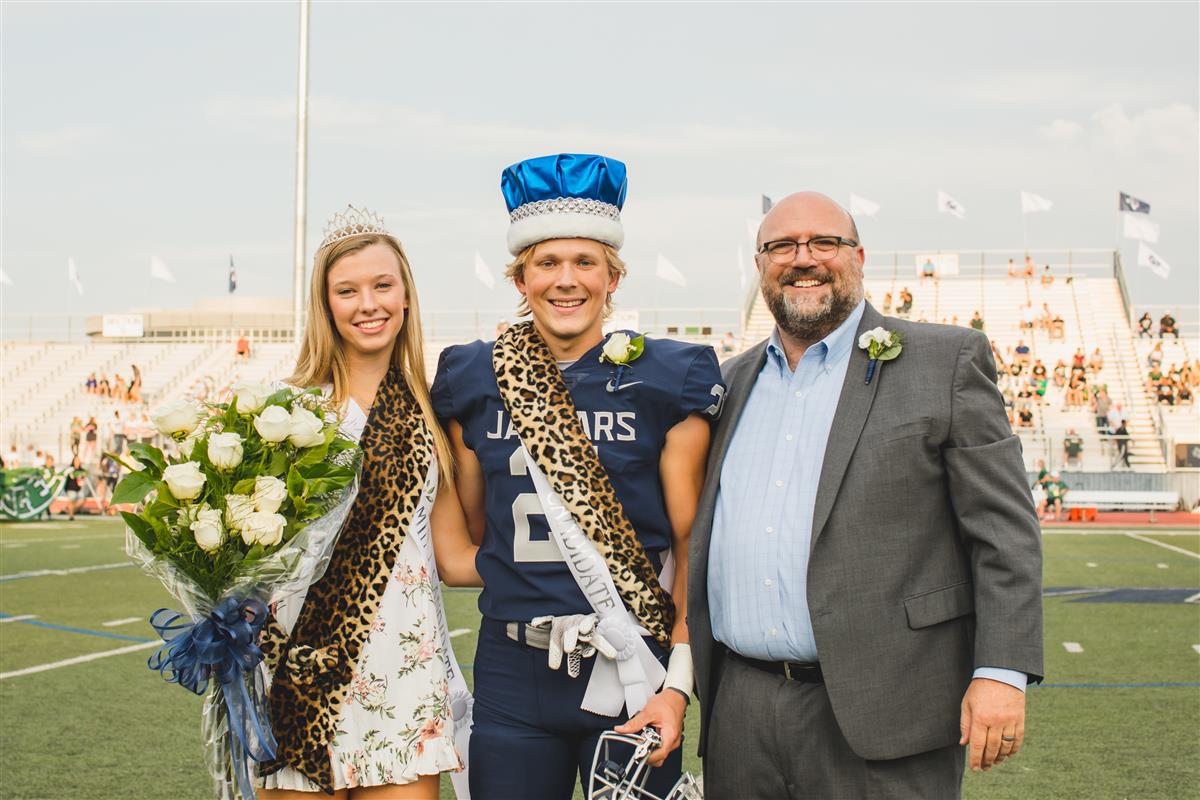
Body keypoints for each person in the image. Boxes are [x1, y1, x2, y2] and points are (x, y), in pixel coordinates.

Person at [689, 191, 1042, 799]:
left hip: (889, 703)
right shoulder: (730, 381)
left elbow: (1003, 532)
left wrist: (1001, 672)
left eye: (823, 242)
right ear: (759, 264)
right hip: (741, 710)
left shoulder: (945, 361)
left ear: (858, 256)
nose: (803, 258)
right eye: (781, 246)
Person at [432, 154, 722, 800]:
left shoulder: (666, 376)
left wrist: (677, 682)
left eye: (585, 263)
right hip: (513, 666)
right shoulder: (476, 375)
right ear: (521, 278)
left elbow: (690, 546)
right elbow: (476, 534)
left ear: (613, 277)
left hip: (630, 662)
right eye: (546, 264)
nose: (567, 281)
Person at [259, 205, 478, 798]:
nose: (369, 304)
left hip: (404, 669)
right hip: (301, 670)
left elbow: (455, 558)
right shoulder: (286, 412)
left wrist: (555, 559)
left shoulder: (433, 414)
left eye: (383, 285)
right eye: (348, 290)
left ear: (406, 295)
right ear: (326, 304)